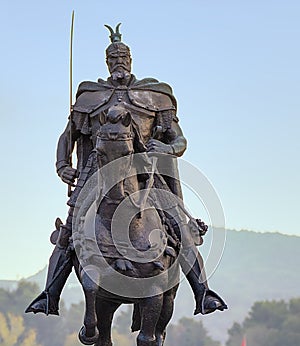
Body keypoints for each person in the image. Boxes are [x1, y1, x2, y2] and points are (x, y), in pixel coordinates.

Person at [26, 24, 227, 317]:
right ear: (107, 63)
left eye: (123, 58)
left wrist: (168, 150)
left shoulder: (155, 95)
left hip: (148, 174)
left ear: (131, 60)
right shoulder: (89, 96)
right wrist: (62, 166)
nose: (118, 63)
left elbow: (179, 139)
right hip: (96, 175)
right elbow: (67, 136)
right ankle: (49, 295)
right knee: (70, 231)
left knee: (179, 227)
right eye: (113, 59)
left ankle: (203, 293)